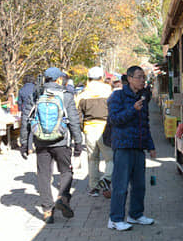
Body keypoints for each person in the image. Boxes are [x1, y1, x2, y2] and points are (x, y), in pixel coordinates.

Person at [19, 66, 83, 223]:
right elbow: (74, 120)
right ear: (59, 79)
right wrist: (78, 142)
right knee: (66, 172)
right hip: (62, 141)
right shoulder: (66, 95)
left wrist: (24, 143)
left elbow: (26, 119)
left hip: (41, 141)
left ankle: (47, 210)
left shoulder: (36, 94)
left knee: (43, 175)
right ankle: (63, 198)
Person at [107, 64, 156, 231]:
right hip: (123, 146)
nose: (143, 80)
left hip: (138, 146)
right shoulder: (117, 97)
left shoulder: (143, 98)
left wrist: (151, 146)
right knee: (120, 185)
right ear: (129, 79)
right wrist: (132, 110)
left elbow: (145, 124)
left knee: (139, 184)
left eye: (144, 77)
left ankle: (135, 214)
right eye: (139, 77)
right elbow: (114, 119)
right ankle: (115, 219)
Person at [77, 66, 113, 196]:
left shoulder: (82, 95)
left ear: (88, 78)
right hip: (105, 129)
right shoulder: (109, 91)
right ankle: (106, 179)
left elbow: (78, 115)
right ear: (102, 78)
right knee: (111, 158)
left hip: (89, 129)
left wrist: (83, 128)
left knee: (92, 159)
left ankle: (94, 188)